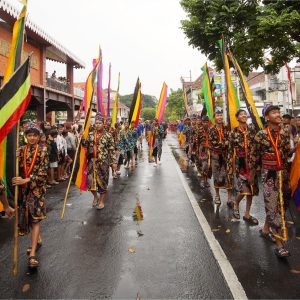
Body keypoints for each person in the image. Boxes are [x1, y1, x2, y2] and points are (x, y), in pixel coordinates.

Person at [250, 105, 292, 258]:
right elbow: (254, 157)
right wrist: (252, 176)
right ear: (267, 117)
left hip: (283, 173)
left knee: (282, 204)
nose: (278, 114)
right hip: (269, 175)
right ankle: (280, 245)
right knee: (273, 207)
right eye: (274, 112)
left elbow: (287, 153)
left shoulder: (285, 133)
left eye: (278, 112)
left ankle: (266, 229)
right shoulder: (260, 135)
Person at [12, 124, 49, 268]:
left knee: (35, 221)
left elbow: (43, 173)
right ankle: (38, 239)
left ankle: (32, 253)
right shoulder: (21, 150)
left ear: (39, 137)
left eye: (34, 135)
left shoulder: (43, 150)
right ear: (26, 136)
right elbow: (19, 169)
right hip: (23, 191)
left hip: (37, 191)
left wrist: (26, 180)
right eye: (29, 135)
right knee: (26, 218)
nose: (32, 138)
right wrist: (16, 159)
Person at [228, 109, 258, 225]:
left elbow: (257, 147)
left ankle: (247, 214)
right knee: (243, 190)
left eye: (245, 114)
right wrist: (231, 166)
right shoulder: (233, 132)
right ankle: (236, 203)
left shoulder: (252, 130)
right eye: (241, 114)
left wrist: (257, 164)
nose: (244, 115)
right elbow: (230, 151)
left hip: (252, 163)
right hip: (240, 164)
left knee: (251, 190)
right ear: (237, 118)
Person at [82, 114, 117, 210]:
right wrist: (81, 138)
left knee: (103, 182)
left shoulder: (108, 135)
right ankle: (95, 197)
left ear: (103, 124)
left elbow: (112, 150)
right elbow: (85, 145)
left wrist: (114, 162)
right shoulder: (90, 135)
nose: (97, 125)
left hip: (103, 163)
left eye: (99, 123)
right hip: (92, 162)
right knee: (89, 182)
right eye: (96, 123)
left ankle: (101, 201)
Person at [208, 108, 233, 206]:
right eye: (217, 115)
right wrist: (224, 143)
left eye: (221, 115)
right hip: (216, 156)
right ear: (214, 118)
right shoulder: (211, 130)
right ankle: (217, 196)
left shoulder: (226, 128)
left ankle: (229, 199)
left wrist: (226, 143)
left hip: (227, 156)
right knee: (216, 176)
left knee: (229, 176)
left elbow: (230, 140)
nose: (220, 117)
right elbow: (213, 144)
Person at [197, 115, 210, 187]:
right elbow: (198, 142)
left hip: (210, 150)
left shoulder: (211, 129)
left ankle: (206, 181)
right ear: (202, 122)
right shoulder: (199, 130)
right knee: (204, 166)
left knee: (208, 167)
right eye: (204, 122)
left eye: (206, 122)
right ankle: (202, 180)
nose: (205, 123)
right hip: (203, 150)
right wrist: (198, 152)